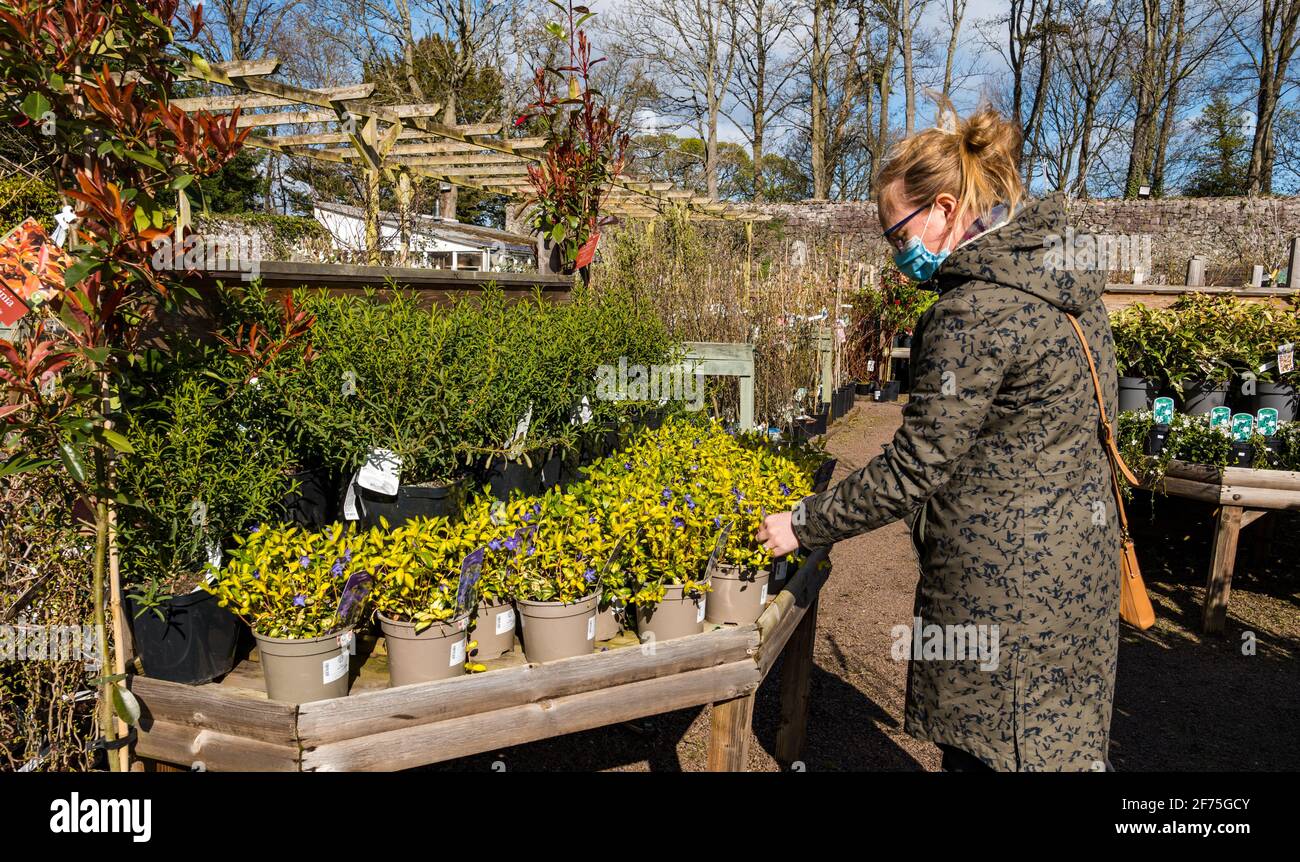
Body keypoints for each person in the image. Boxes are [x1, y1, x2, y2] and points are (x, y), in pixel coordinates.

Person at [757, 104, 1122, 772]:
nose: (898, 256)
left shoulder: (974, 308)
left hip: (1002, 592)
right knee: (1053, 751)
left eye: (897, 235)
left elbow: (913, 466)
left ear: (946, 207)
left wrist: (806, 523)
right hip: (1078, 577)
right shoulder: (1069, 287)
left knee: (991, 754)